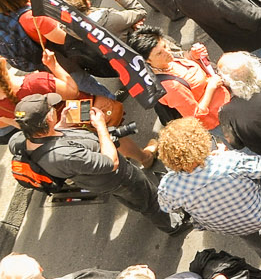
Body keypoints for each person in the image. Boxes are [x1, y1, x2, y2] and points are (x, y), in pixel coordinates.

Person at [9, 92, 181, 233]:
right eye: (51, 109)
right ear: (47, 120)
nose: (54, 108)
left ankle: (143, 205)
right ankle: (173, 225)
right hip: (117, 177)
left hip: (97, 180)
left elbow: (51, 137)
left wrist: (62, 125)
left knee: (133, 198)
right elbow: (110, 162)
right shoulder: (64, 155)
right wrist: (100, 127)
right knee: (147, 201)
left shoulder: (22, 138)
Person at [154, 118, 261, 267]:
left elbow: (166, 207)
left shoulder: (169, 187)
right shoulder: (228, 161)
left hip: (228, 224)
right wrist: (221, 154)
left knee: (251, 237)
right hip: (257, 210)